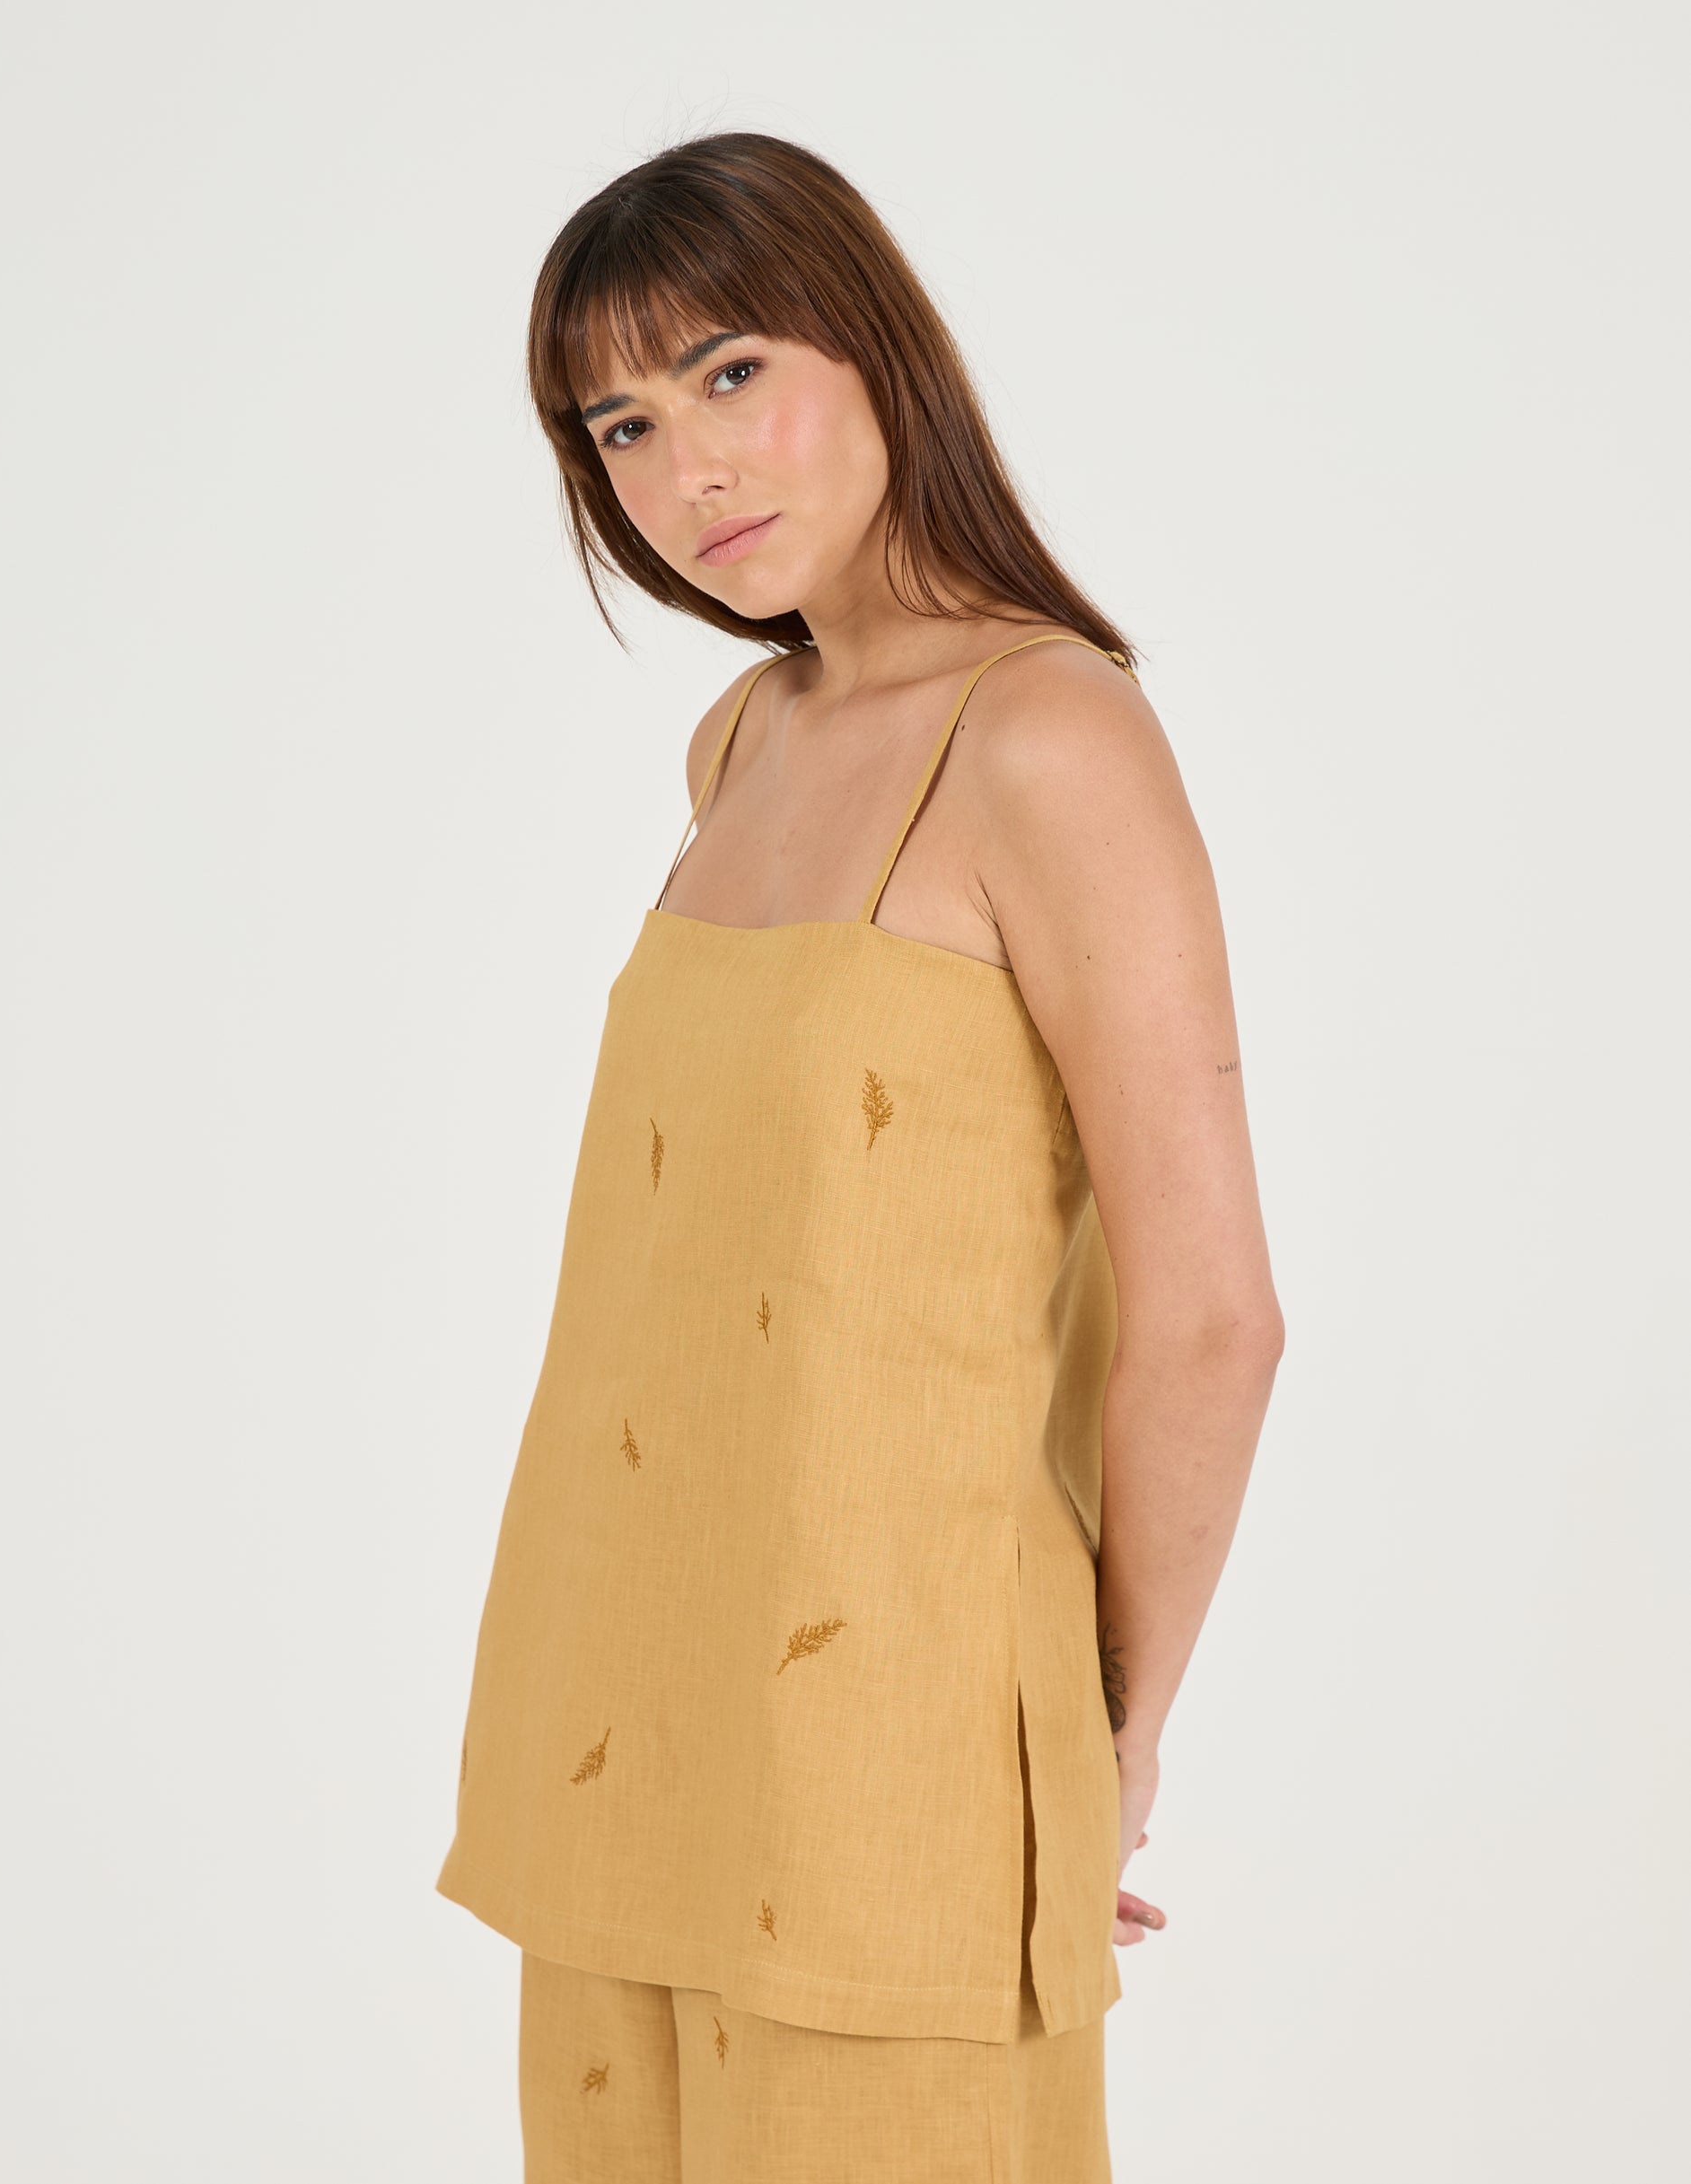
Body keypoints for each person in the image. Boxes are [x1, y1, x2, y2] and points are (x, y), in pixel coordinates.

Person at [437, 130, 1284, 2183]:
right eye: (622, 427)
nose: (684, 469)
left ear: (875, 345)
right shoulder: (742, 738)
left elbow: (1209, 1313)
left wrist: (1103, 1735)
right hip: (613, 1712)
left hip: (886, 1759)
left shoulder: (1049, 736)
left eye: (727, 372)